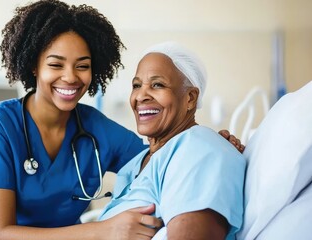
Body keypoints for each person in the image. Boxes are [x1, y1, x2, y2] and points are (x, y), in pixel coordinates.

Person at [0, 1, 243, 239]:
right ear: (33, 65)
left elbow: (163, 155)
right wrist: (103, 229)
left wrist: (210, 142)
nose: (70, 77)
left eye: (82, 66)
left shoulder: (95, 129)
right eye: (55, 64)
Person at [98, 41, 246, 240]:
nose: (141, 95)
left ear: (190, 98)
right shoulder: (137, 162)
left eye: (157, 85)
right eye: (136, 85)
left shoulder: (199, 149)